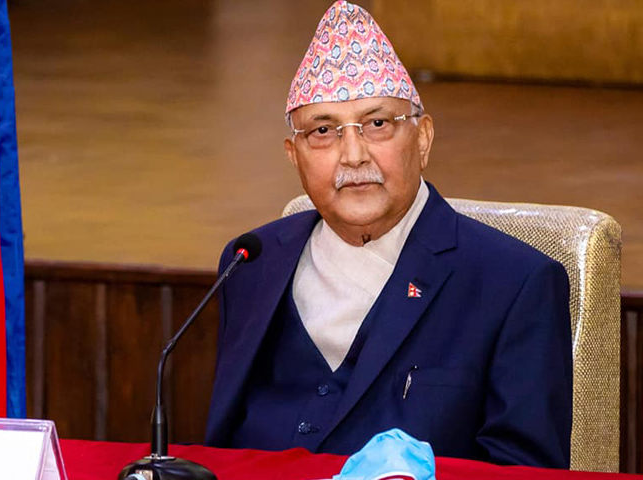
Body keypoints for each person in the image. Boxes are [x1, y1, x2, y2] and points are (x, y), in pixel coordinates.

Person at [204, 0, 573, 469]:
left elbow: (524, 473)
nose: (353, 155)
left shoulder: (513, 283)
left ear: (423, 139)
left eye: (377, 124)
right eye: (323, 130)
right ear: (294, 156)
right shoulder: (251, 262)